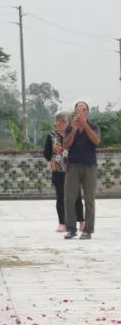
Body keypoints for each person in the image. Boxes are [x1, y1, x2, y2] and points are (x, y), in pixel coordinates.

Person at [63, 101, 100, 240]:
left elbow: (96, 141)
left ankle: (88, 230)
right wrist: (74, 129)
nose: (81, 112)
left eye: (84, 109)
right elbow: (65, 145)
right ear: (75, 112)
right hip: (73, 166)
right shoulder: (69, 128)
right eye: (79, 109)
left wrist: (85, 127)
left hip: (90, 166)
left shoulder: (94, 126)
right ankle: (71, 229)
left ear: (87, 112)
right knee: (69, 199)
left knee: (89, 199)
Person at [43, 112, 83, 232]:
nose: (59, 123)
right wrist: (54, 154)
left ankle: (81, 221)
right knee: (61, 197)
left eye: (62, 121)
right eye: (57, 121)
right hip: (58, 171)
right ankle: (62, 223)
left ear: (69, 122)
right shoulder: (51, 136)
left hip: (73, 170)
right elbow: (46, 154)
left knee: (77, 197)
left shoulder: (74, 134)